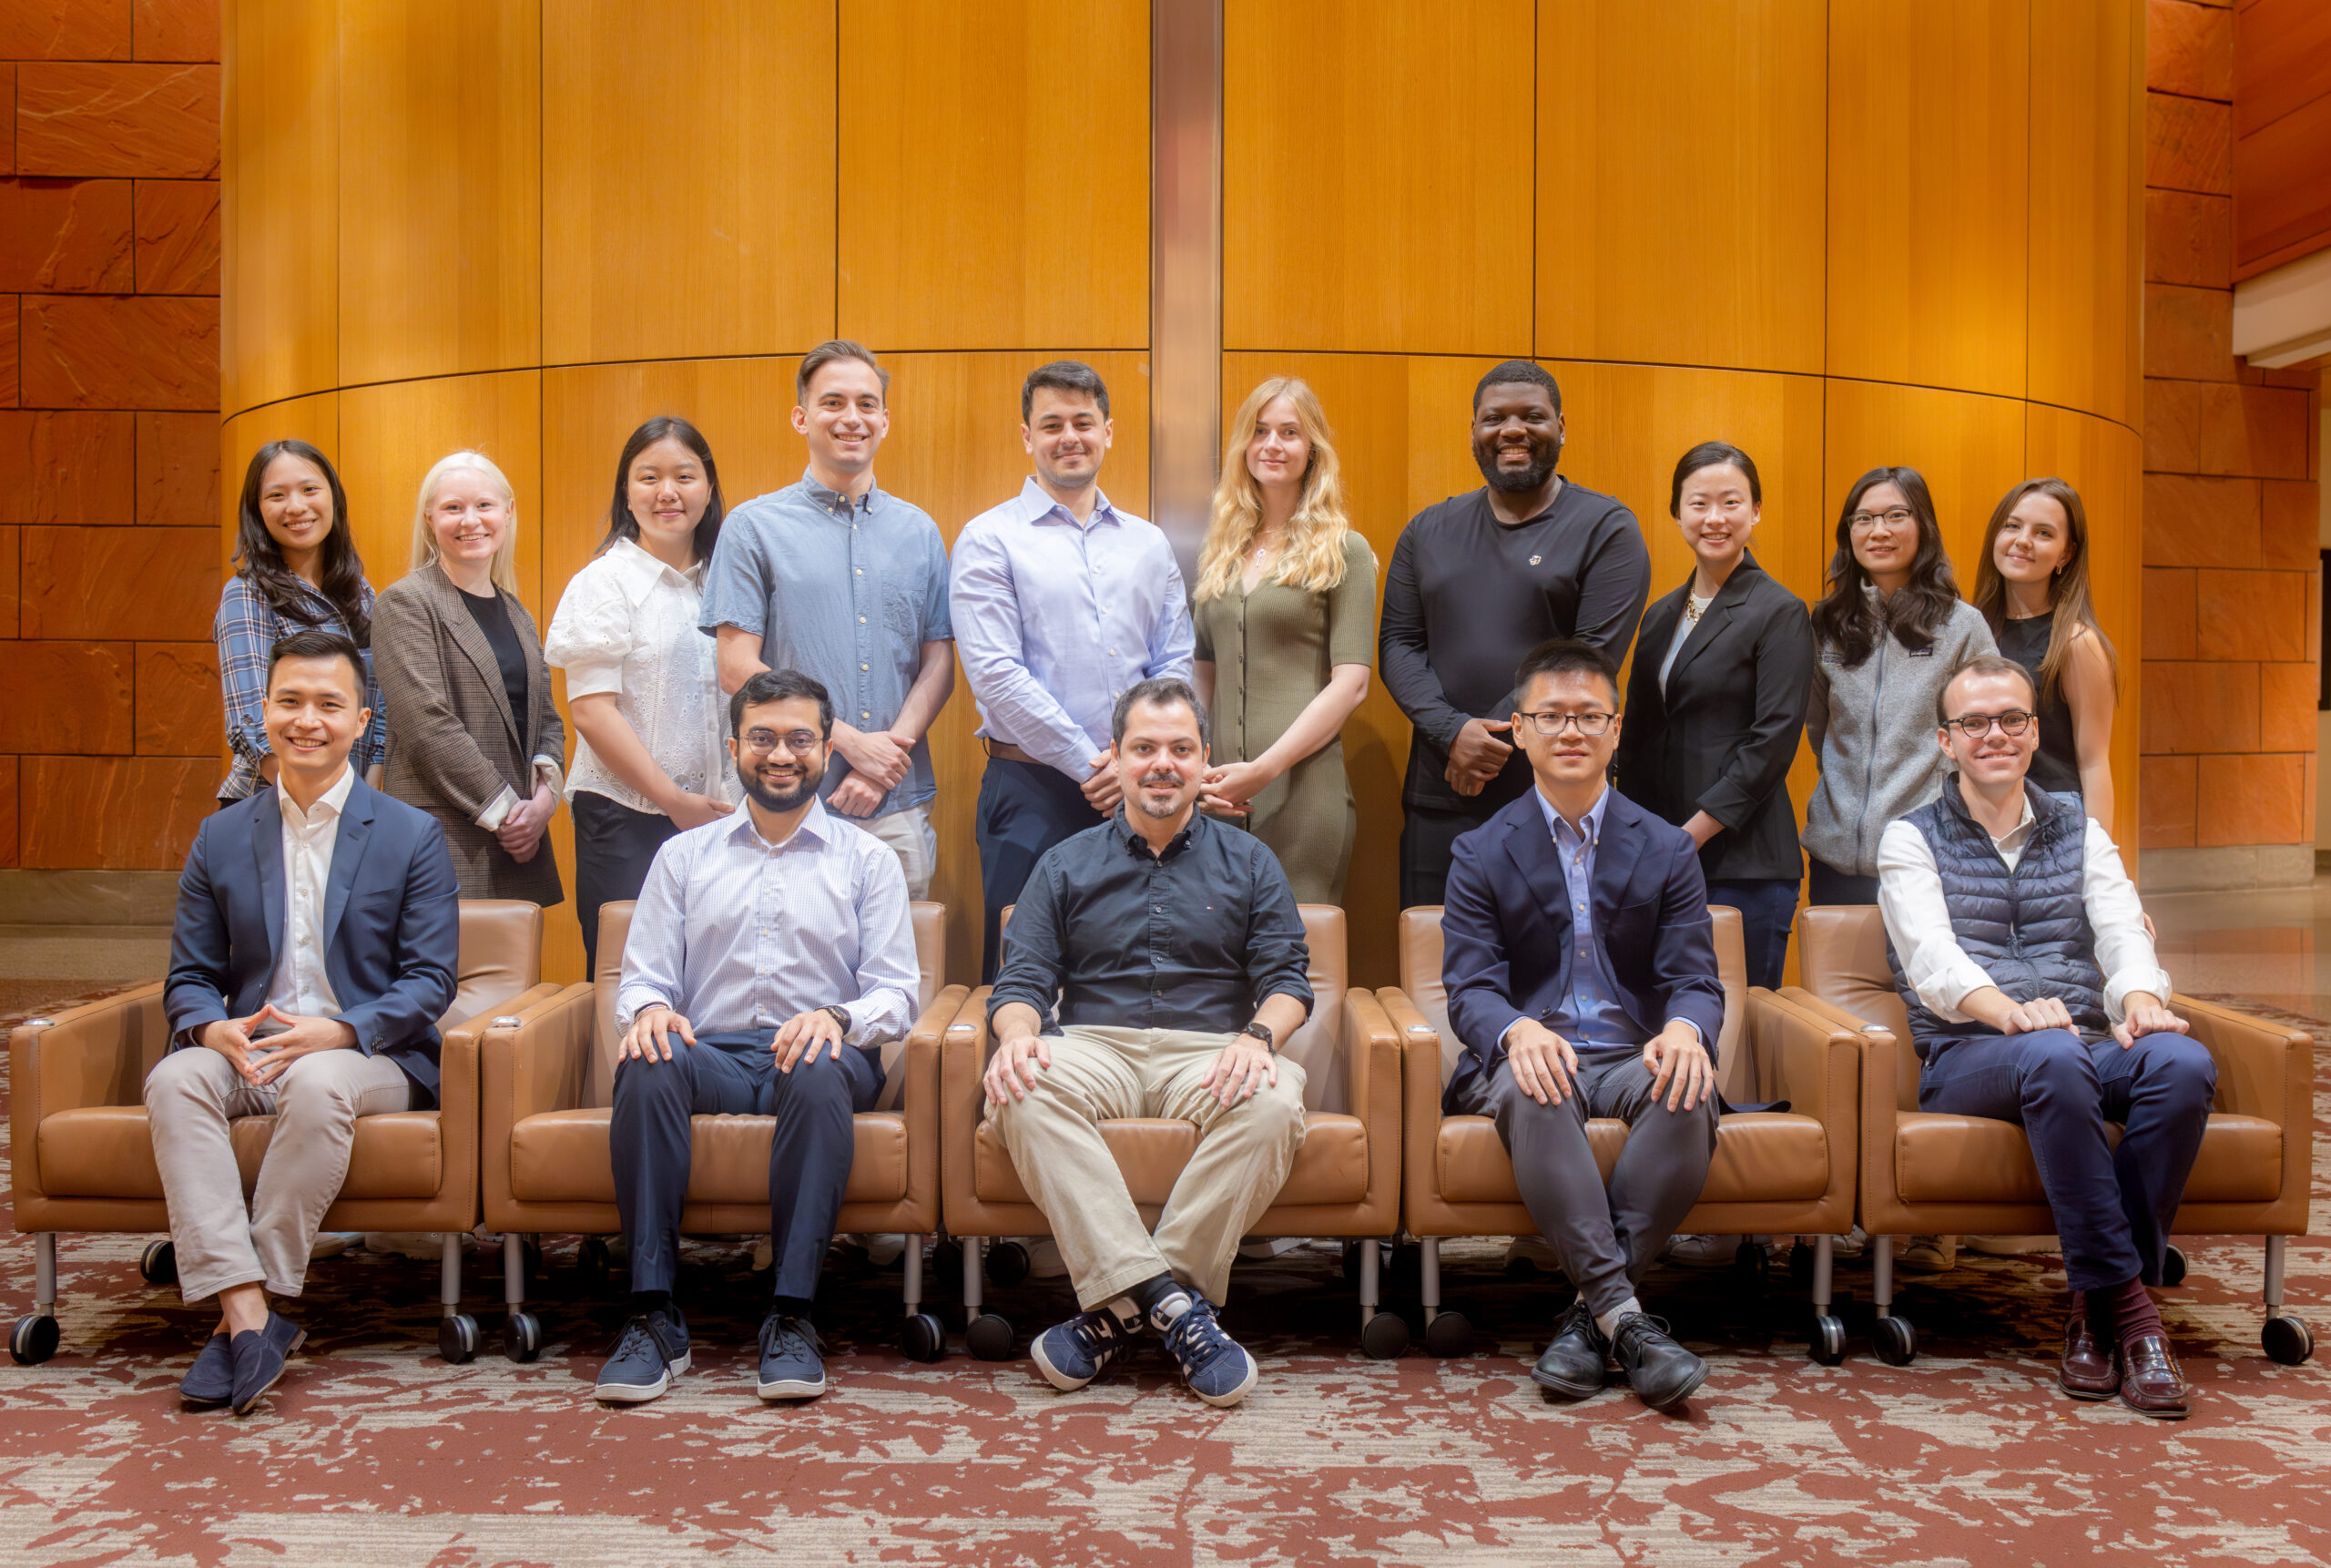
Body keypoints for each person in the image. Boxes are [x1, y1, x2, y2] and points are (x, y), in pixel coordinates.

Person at [1877, 655, 2204, 1419]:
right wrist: (2008, 1011)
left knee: (2182, 1064)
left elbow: (2122, 928)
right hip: (1968, 1054)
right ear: (1945, 742)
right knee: (2051, 1052)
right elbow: (1932, 959)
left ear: (2032, 732)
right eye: (1975, 723)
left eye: (2012, 719)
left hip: (2079, 1041)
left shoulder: (2077, 828)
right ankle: (2135, 1313)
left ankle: (2093, 1308)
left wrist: (2141, 999)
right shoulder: (1909, 838)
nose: (1996, 734)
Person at [147, 628, 459, 1414]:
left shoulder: (409, 834)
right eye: (290, 701)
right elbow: (190, 977)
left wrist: (343, 1029)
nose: (307, 719)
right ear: (264, 711)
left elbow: (431, 981)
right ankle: (250, 1312)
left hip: (368, 1054)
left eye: (329, 704)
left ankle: (253, 1305)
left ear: (361, 721)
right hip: (249, 1050)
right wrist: (209, 1026)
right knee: (176, 1076)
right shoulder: (221, 834)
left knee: (319, 1080)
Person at [981, 677, 1310, 1409]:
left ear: (1204, 762)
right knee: (1019, 1085)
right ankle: (1175, 1305)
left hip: (1212, 1047)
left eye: (1180, 749)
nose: (1163, 764)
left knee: (1274, 1098)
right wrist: (1016, 1037)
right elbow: (1021, 982)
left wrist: (1259, 1039)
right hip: (1096, 1044)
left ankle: (1116, 1312)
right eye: (1145, 748)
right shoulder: (1064, 863)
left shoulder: (1252, 862)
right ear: (1117, 759)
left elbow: (1289, 979)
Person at [595, 669, 920, 1407]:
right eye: (764, 738)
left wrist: (838, 1018)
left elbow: (897, 993)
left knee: (814, 1063)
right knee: (649, 1060)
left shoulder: (867, 860)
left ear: (827, 749)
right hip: (711, 1052)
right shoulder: (683, 857)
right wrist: (648, 1012)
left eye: (801, 739)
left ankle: (793, 1314)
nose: (782, 754)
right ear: (735, 745)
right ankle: (653, 1314)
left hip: (823, 1056)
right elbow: (642, 978)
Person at [1439, 638, 1727, 1413]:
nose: (1571, 730)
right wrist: (1516, 1032)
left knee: (1687, 1085)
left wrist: (1686, 1031)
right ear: (1520, 729)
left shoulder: (1665, 847)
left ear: (1616, 729)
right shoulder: (1479, 850)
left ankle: (1591, 1321)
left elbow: (1695, 979)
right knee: (1537, 1082)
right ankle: (1626, 1319)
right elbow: (1468, 987)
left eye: (1588, 715)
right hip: (1538, 1052)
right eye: (1551, 716)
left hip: (1633, 1050)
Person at [952, 361, 1195, 978]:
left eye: (1083, 422)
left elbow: (1174, 663)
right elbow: (996, 675)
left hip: (1142, 791)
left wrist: (1139, 760)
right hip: (1033, 790)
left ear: (1108, 431)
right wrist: (1097, 763)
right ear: (1027, 437)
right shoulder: (989, 539)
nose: (1069, 437)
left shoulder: (1148, 542)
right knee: (1024, 974)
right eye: (1051, 423)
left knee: (1135, 971)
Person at [1379, 360, 1651, 910]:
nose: (1512, 431)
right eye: (1493, 419)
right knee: (1436, 961)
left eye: (1532, 416)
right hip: (1442, 789)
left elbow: (1587, 658)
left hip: (1556, 793)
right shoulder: (1427, 530)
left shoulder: (1606, 528)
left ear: (1561, 427)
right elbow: (1398, 644)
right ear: (1474, 431)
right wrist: (1454, 733)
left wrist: (1495, 737)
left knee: (1551, 969)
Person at [704, 342, 953, 899]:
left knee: (896, 975)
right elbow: (736, 666)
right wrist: (849, 744)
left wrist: (883, 763)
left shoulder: (920, 532)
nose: (851, 418)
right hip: (785, 800)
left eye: (867, 404)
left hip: (895, 803)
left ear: (885, 421)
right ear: (802, 417)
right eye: (832, 402)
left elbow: (938, 664)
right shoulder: (752, 527)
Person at [1613, 443, 1813, 991]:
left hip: (1744, 863)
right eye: (1699, 503)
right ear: (1677, 512)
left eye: (1731, 502)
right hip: (1660, 857)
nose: (1715, 518)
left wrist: (1691, 835)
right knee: (1660, 1022)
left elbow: (1772, 743)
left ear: (1756, 512)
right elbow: (1636, 739)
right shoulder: (1658, 616)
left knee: (1739, 1028)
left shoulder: (1779, 611)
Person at [546, 418, 738, 975]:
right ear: (626, 492)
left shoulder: (726, 582)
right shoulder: (603, 582)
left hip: (720, 816)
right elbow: (590, 711)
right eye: (648, 477)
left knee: (711, 975)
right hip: (625, 815)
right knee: (626, 976)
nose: (667, 492)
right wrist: (674, 802)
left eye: (685, 476)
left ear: (708, 487)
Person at [1191, 377, 1376, 905]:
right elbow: (1205, 670)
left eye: (1289, 432)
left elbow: (1352, 685)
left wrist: (1263, 771)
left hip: (1302, 793)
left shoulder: (1346, 551)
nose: (1272, 445)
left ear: (1312, 447)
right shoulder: (1220, 550)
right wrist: (1200, 765)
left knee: (1300, 957)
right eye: (1260, 431)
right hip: (1218, 794)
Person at [372, 451, 566, 907]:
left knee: (517, 981)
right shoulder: (405, 603)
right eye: (453, 508)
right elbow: (427, 727)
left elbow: (547, 722)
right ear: (429, 519)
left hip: (518, 841)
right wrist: (508, 816)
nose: (470, 520)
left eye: (484, 505)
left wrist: (543, 805)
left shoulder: (518, 612)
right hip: (445, 837)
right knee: (436, 978)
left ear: (508, 512)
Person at [1802, 465, 1996, 906]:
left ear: (1922, 526)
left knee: (1921, 977)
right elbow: (1819, 727)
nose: (1878, 531)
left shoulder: (1962, 626)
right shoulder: (1827, 623)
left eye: (1895, 516)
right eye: (1863, 519)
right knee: (1839, 976)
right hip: (1834, 859)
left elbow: (1985, 739)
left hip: (1928, 854)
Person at [215, 441, 388, 803]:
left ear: (334, 498)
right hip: (272, 799)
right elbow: (251, 723)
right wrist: (332, 801)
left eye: (309, 489)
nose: (296, 507)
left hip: (354, 800)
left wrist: (367, 793)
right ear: (257, 511)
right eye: (276, 495)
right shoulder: (246, 593)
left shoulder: (361, 593)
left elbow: (380, 705)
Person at [1971, 477, 2122, 830]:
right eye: (2012, 526)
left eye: (2044, 533)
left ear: (2066, 554)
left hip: (2051, 816)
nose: (2022, 540)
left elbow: (2094, 764)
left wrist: (2097, 864)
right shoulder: (1970, 629)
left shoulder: (2076, 642)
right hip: (1979, 812)